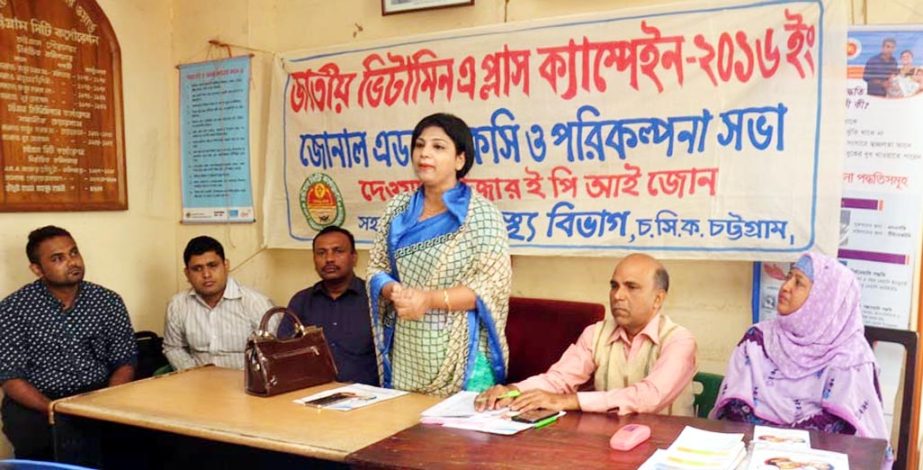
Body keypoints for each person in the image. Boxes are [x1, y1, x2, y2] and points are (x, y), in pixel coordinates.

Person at [367, 112, 511, 396]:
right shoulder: (397, 208)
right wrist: (392, 290)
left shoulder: (481, 215)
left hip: (463, 350)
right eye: (419, 145)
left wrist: (428, 300)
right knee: (405, 434)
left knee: (458, 439)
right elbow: (376, 267)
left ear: (460, 159)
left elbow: (492, 285)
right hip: (408, 347)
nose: (425, 153)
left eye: (438, 146)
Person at [710, 253, 890, 459]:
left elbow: (841, 425)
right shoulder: (757, 339)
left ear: (823, 298)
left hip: (822, 459)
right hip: (752, 454)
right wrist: (771, 444)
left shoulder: (851, 354)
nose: (786, 287)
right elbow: (734, 407)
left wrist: (779, 441)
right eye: (788, 277)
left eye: (798, 282)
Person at [476, 254, 696, 415]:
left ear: (658, 299)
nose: (618, 295)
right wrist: (512, 391)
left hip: (667, 448)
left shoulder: (679, 341)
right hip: (608, 440)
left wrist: (568, 401)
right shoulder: (595, 333)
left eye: (631, 287)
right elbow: (559, 380)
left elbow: (649, 398)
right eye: (614, 286)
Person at [0, 226, 137, 459]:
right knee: (41, 440)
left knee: (136, 444)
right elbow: (10, 377)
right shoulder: (13, 309)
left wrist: (107, 403)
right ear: (37, 269)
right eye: (57, 258)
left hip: (98, 395)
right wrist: (54, 409)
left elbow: (125, 360)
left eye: (74, 253)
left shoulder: (107, 301)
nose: (72, 262)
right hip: (39, 402)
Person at [278, 226, 378, 386]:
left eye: (338, 251)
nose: (329, 258)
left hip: (368, 398)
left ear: (354, 258)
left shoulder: (374, 299)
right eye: (321, 253)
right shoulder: (301, 301)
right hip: (311, 395)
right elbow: (284, 352)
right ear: (314, 260)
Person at [163, 236, 275, 370]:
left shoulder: (256, 303)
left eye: (212, 266)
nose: (206, 275)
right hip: (197, 383)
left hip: (244, 383)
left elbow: (272, 351)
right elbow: (173, 348)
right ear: (187, 273)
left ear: (226, 265)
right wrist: (193, 373)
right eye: (197, 269)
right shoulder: (178, 305)